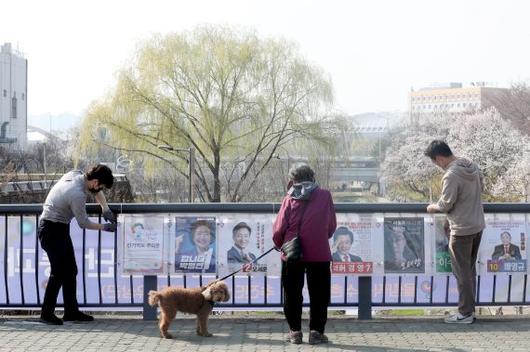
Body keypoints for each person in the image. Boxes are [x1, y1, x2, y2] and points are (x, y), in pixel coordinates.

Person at [38, 164, 117, 325]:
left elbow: (97, 192)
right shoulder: (77, 194)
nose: (100, 189)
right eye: (100, 186)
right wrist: (105, 227)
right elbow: (83, 223)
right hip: (50, 230)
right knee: (59, 271)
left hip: (59, 228)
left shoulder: (77, 174)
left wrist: (105, 208)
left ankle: (71, 312)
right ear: (95, 182)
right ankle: (46, 314)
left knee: (71, 270)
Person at [273, 163, 336, 345]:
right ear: (312, 177)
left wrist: (279, 244)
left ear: (293, 179)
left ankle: (295, 332)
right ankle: (316, 333)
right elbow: (331, 224)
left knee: (292, 293)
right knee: (319, 294)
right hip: (319, 252)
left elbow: (279, 228)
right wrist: (320, 238)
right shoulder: (325, 195)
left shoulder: (289, 198)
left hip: (293, 252)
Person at [425, 140, 485, 324]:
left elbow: (445, 204)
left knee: (462, 272)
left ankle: (465, 313)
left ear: (440, 158)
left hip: (460, 230)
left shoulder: (451, 175)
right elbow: (481, 187)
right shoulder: (471, 165)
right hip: (477, 225)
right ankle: (469, 310)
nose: (437, 166)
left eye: (436, 162)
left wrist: (431, 207)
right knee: (469, 270)